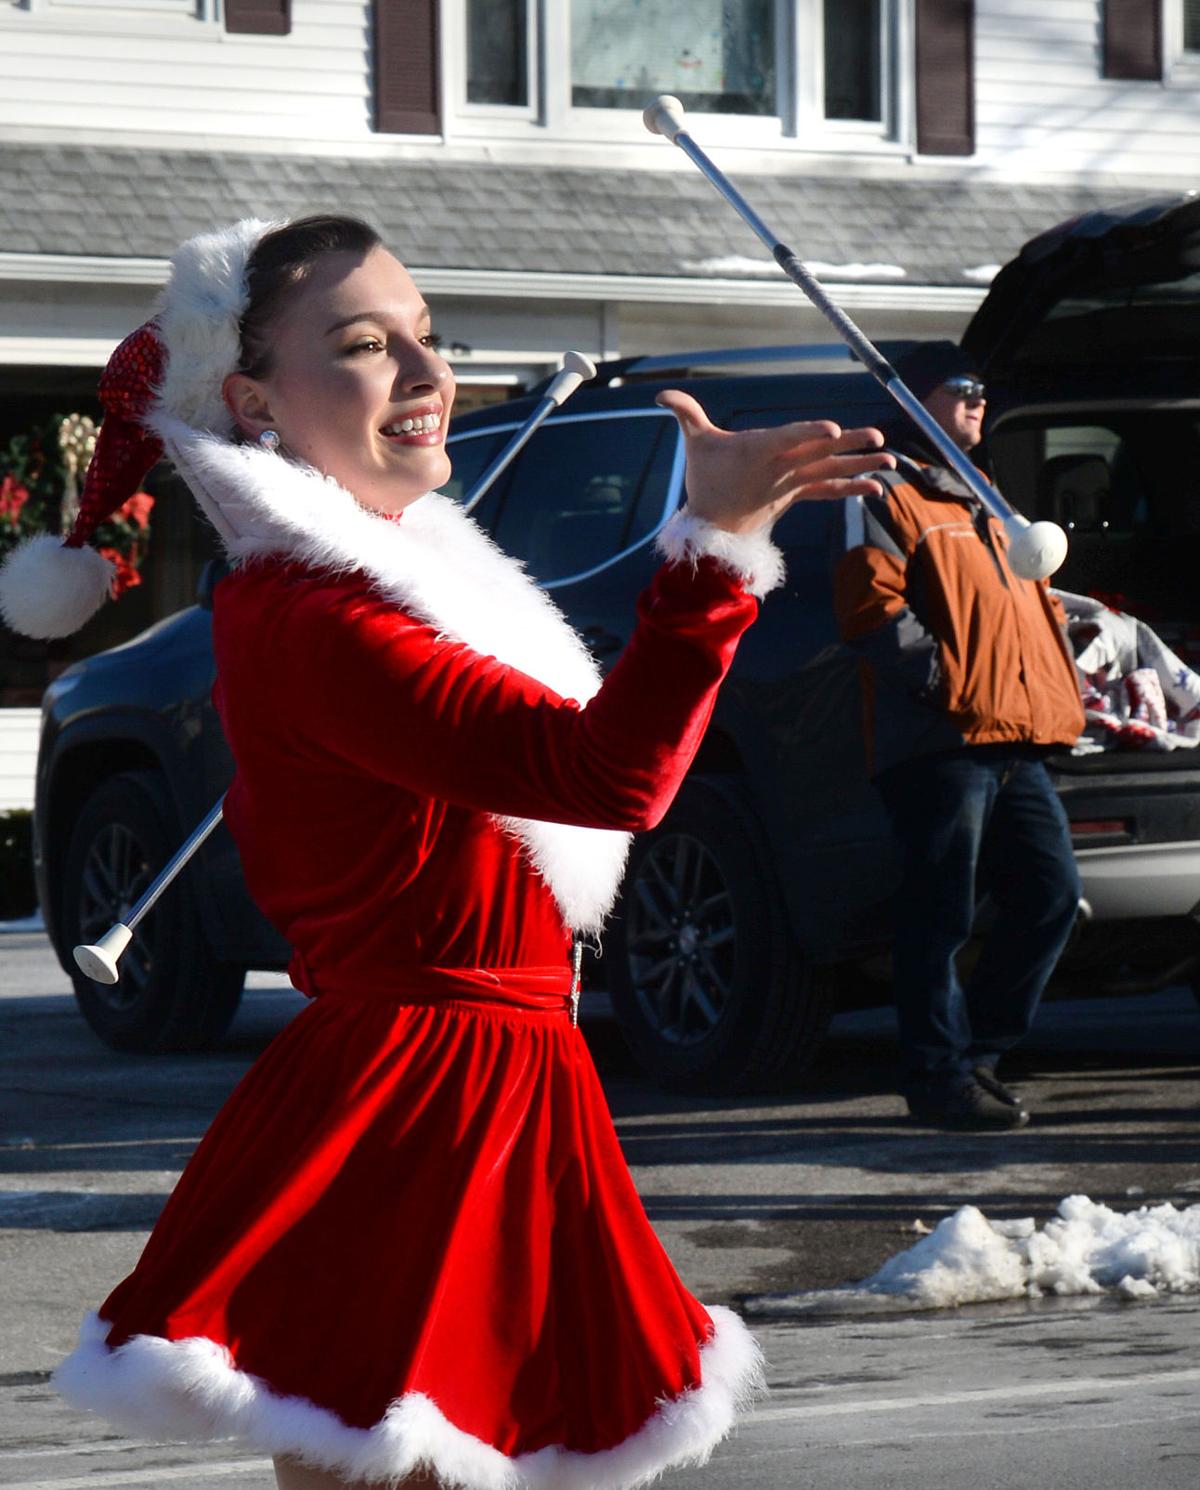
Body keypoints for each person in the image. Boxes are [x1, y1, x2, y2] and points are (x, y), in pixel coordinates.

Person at [0, 215, 893, 1490]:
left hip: (471, 1079)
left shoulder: (321, 598)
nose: (427, 378)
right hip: (428, 1101)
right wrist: (714, 549)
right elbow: (611, 777)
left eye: (430, 337)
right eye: (368, 347)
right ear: (252, 401)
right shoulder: (319, 619)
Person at [831, 340, 1085, 1133]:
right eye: (961, 387)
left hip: (1015, 735)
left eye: (982, 386)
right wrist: (944, 682)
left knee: (1050, 896)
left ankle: (979, 1054)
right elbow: (871, 603)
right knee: (939, 914)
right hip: (939, 740)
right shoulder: (884, 488)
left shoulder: (985, 499)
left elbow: (1021, 608)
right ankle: (936, 1077)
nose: (979, 399)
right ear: (912, 397)